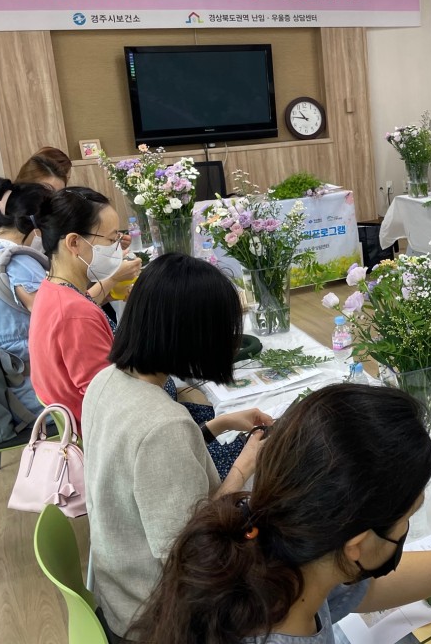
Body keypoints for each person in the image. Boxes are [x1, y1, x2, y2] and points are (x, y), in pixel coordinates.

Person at [127, 383, 431, 644]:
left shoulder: (282, 555)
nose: (407, 529)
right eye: (407, 518)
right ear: (357, 546)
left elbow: (361, 592)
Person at [84, 253, 272, 642]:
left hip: (117, 584)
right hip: (154, 613)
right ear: (192, 334)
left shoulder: (106, 380)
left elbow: (141, 466)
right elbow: (193, 549)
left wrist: (216, 425)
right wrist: (245, 464)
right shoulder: (163, 424)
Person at [28, 187, 142, 428]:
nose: (117, 249)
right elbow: (111, 399)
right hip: (111, 434)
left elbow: (85, 299)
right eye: (111, 240)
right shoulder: (74, 315)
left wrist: (109, 286)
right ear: (74, 242)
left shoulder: (53, 289)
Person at [0, 177, 53, 415]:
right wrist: (108, 283)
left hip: (3, 388)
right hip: (34, 396)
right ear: (37, 225)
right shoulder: (19, 262)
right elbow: (59, 318)